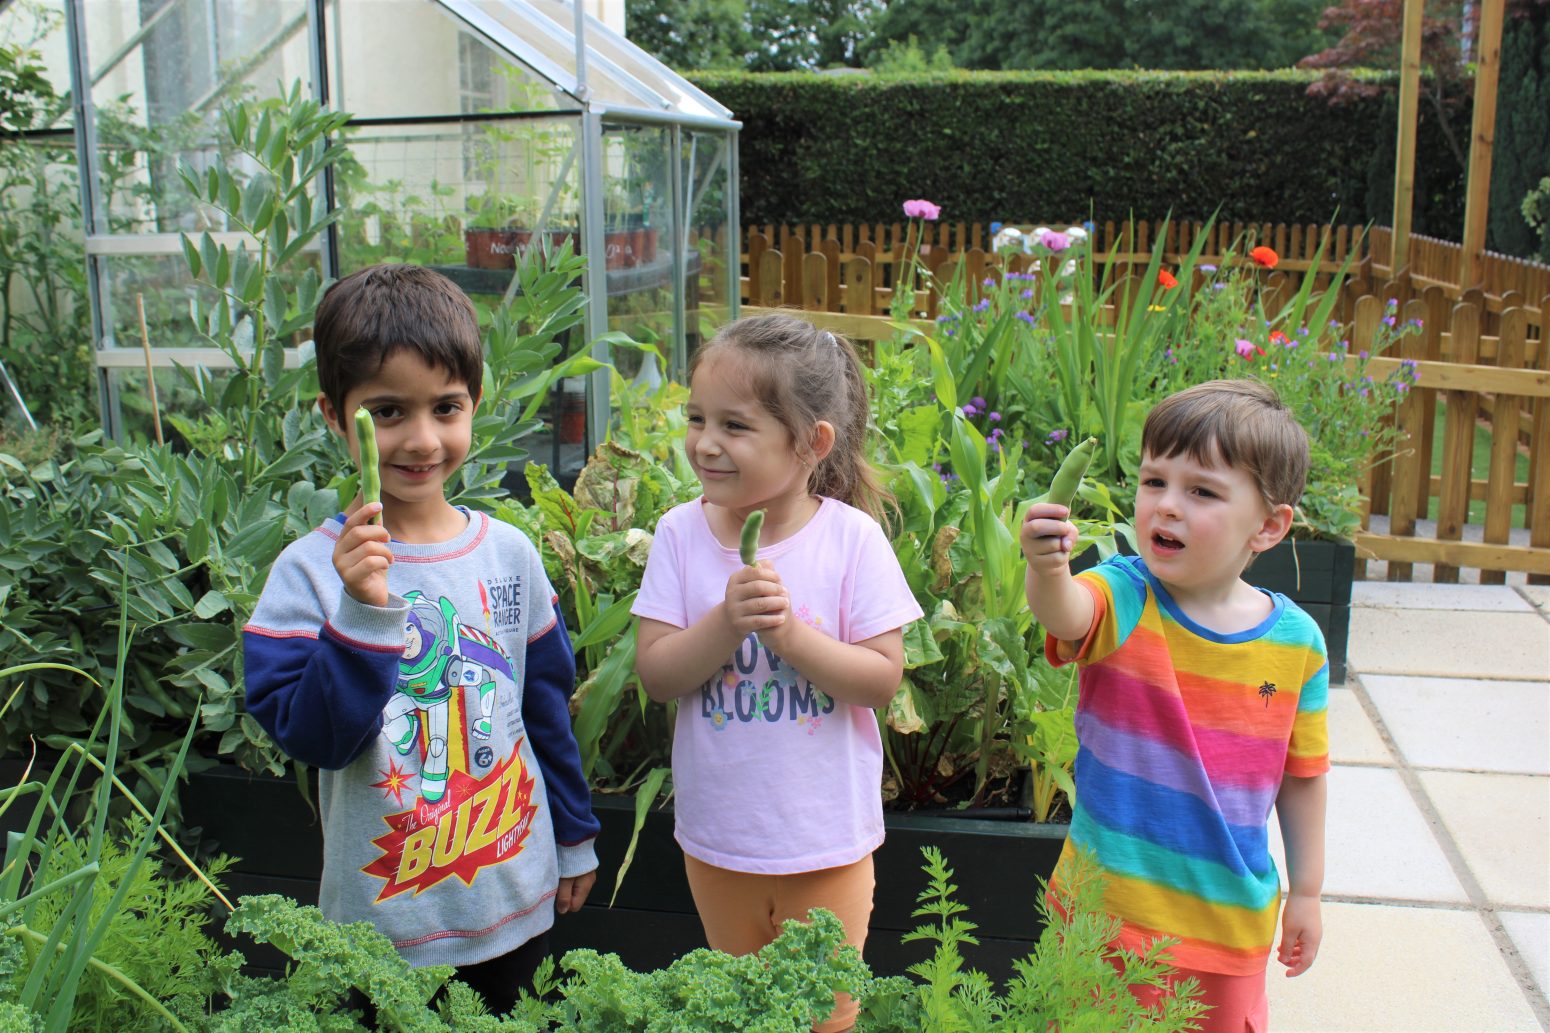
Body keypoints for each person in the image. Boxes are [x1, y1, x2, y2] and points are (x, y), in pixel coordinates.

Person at [243, 264, 599, 1015]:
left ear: (475, 403)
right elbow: (316, 739)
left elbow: (545, 710)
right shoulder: (308, 573)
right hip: (381, 923)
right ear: (336, 418)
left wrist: (574, 835)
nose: (423, 438)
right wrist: (363, 611)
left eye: (446, 406)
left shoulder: (509, 554)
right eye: (388, 412)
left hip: (514, 900)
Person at [631, 313, 922, 1033]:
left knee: (825, 1018)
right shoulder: (679, 533)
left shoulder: (850, 539)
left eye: (735, 425)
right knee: (742, 1014)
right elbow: (659, 674)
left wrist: (789, 633)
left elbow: (882, 679)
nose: (705, 442)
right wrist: (725, 623)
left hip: (826, 843)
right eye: (697, 418)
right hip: (721, 840)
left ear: (811, 443)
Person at [1020, 379, 1328, 1033]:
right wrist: (1047, 568)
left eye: (1203, 491)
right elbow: (1066, 611)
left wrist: (1307, 890)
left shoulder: (1299, 642)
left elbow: (1301, 778)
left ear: (1269, 526)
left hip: (1227, 928)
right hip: (1105, 913)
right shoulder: (1126, 593)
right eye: (1154, 481)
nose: (1167, 506)